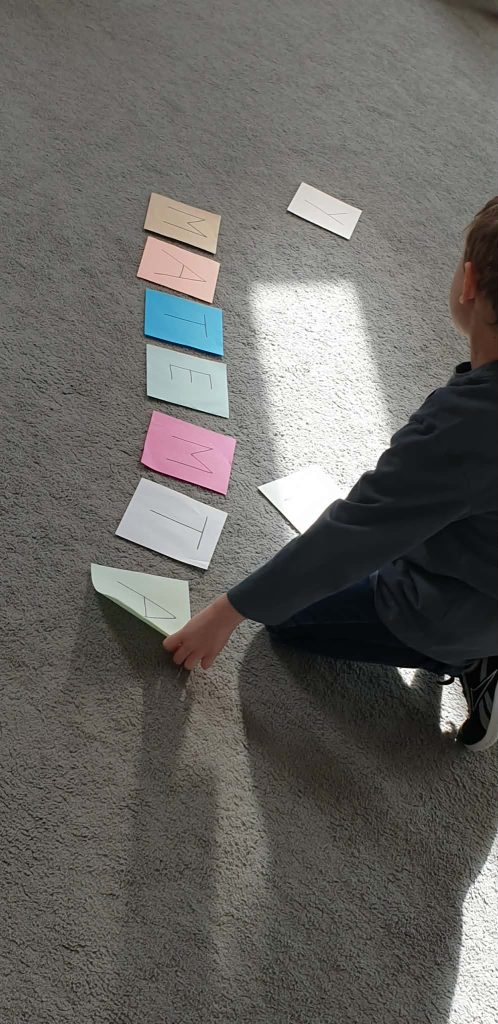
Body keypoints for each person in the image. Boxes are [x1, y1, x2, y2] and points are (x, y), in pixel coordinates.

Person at [163, 198, 498, 752]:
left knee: (289, 619)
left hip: (459, 612)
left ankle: (470, 659)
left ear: (469, 284)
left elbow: (354, 537)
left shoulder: (468, 428)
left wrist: (229, 610)